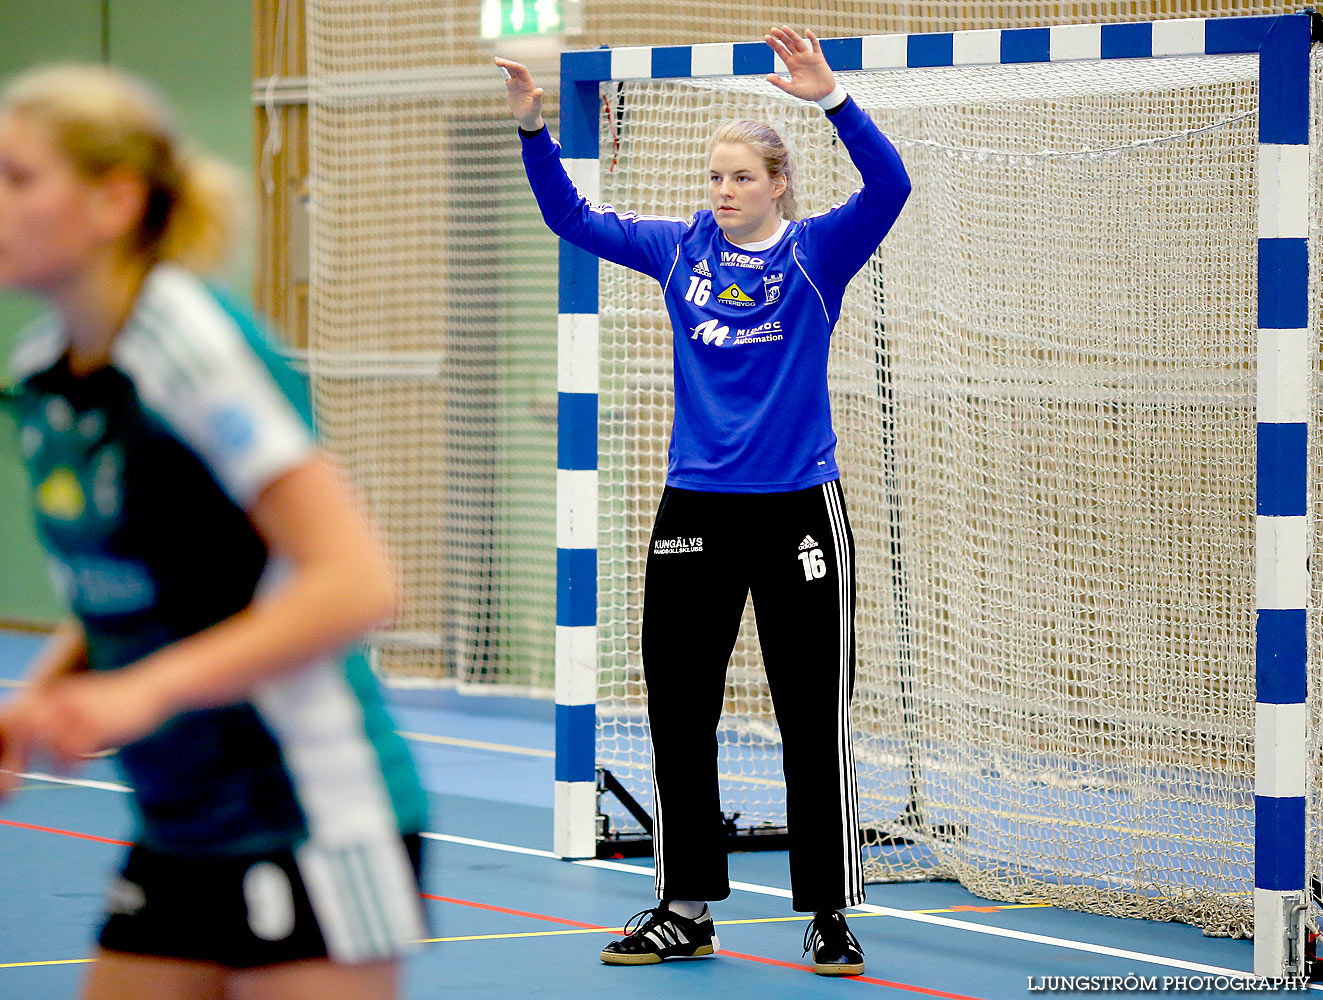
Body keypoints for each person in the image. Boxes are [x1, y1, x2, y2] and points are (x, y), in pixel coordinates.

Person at [0, 64, 428, 1000]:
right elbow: (156, 577)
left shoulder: (187, 349)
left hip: (313, 815)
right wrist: (43, 696)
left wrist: (142, 691)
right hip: (182, 820)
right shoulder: (44, 379)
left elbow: (354, 583)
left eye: (17, 177)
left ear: (113, 200)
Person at [498, 24, 910, 977]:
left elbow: (888, 189)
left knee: (814, 712)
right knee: (679, 706)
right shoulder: (677, 252)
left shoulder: (819, 252)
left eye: (739, 178)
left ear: (777, 185)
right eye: (713, 177)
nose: (721, 192)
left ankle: (830, 912)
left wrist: (831, 101)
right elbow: (572, 218)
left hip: (800, 509)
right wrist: (531, 130)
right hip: (696, 511)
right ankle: (683, 907)